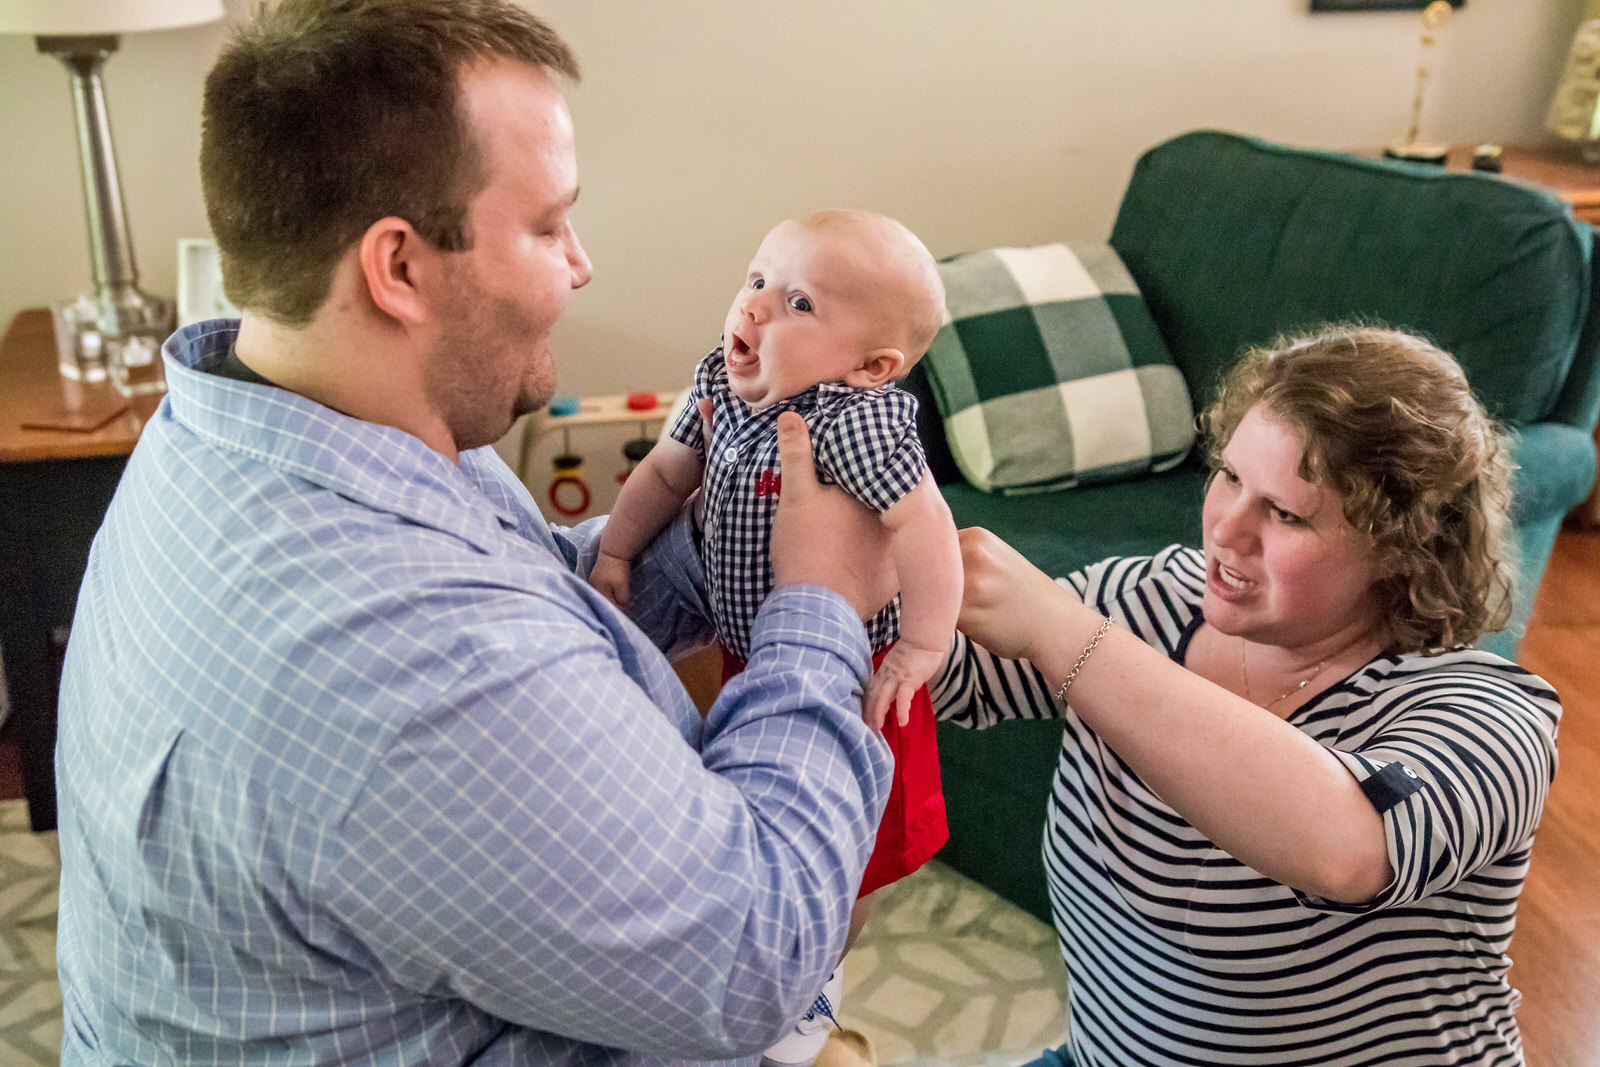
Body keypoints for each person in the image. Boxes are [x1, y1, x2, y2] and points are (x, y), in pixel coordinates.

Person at [53, 2, 902, 1064]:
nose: (581, 264)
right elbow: (755, 954)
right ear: (398, 268)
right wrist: (815, 605)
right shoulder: (398, 651)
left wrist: (734, 526)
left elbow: (548, 592)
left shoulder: (260, 422)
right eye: (548, 226)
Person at [931, 325, 1562, 1066]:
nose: (1226, 530)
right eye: (1230, 477)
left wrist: (1065, 634)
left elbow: (1347, 847)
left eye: (1286, 513)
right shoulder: (1154, 600)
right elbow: (958, 675)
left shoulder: (1490, 714)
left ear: (1399, 545)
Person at [590, 208, 960, 1065]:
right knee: (752, 799)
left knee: (851, 861)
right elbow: (662, 471)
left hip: (859, 675)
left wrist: (923, 645)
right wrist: (615, 549)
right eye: (757, 280)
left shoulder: (856, 421)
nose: (752, 310)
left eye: (798, 304)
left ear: (873, 367)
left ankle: (814, 994)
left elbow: (926, 528)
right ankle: (789, 986)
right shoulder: (720, 378)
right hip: (751, 646)